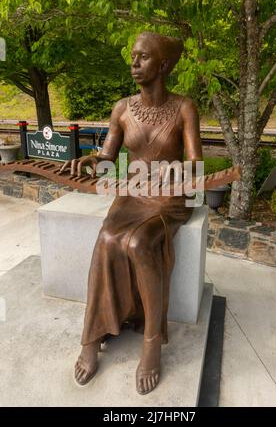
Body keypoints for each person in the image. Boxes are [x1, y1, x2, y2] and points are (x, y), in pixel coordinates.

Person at [60, 31, 203, 395]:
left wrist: (181, 173)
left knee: (140, 243)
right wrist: (94, 160)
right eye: (133, 57)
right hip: (133, 192)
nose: (134, 64)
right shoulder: (122, 108)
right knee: (107, 238)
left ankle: (152, 341)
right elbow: (109, 156)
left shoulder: (184, 106)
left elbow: (195, 163)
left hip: (169, 198)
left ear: (164, 65)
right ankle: (91, 337)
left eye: (143, 57)